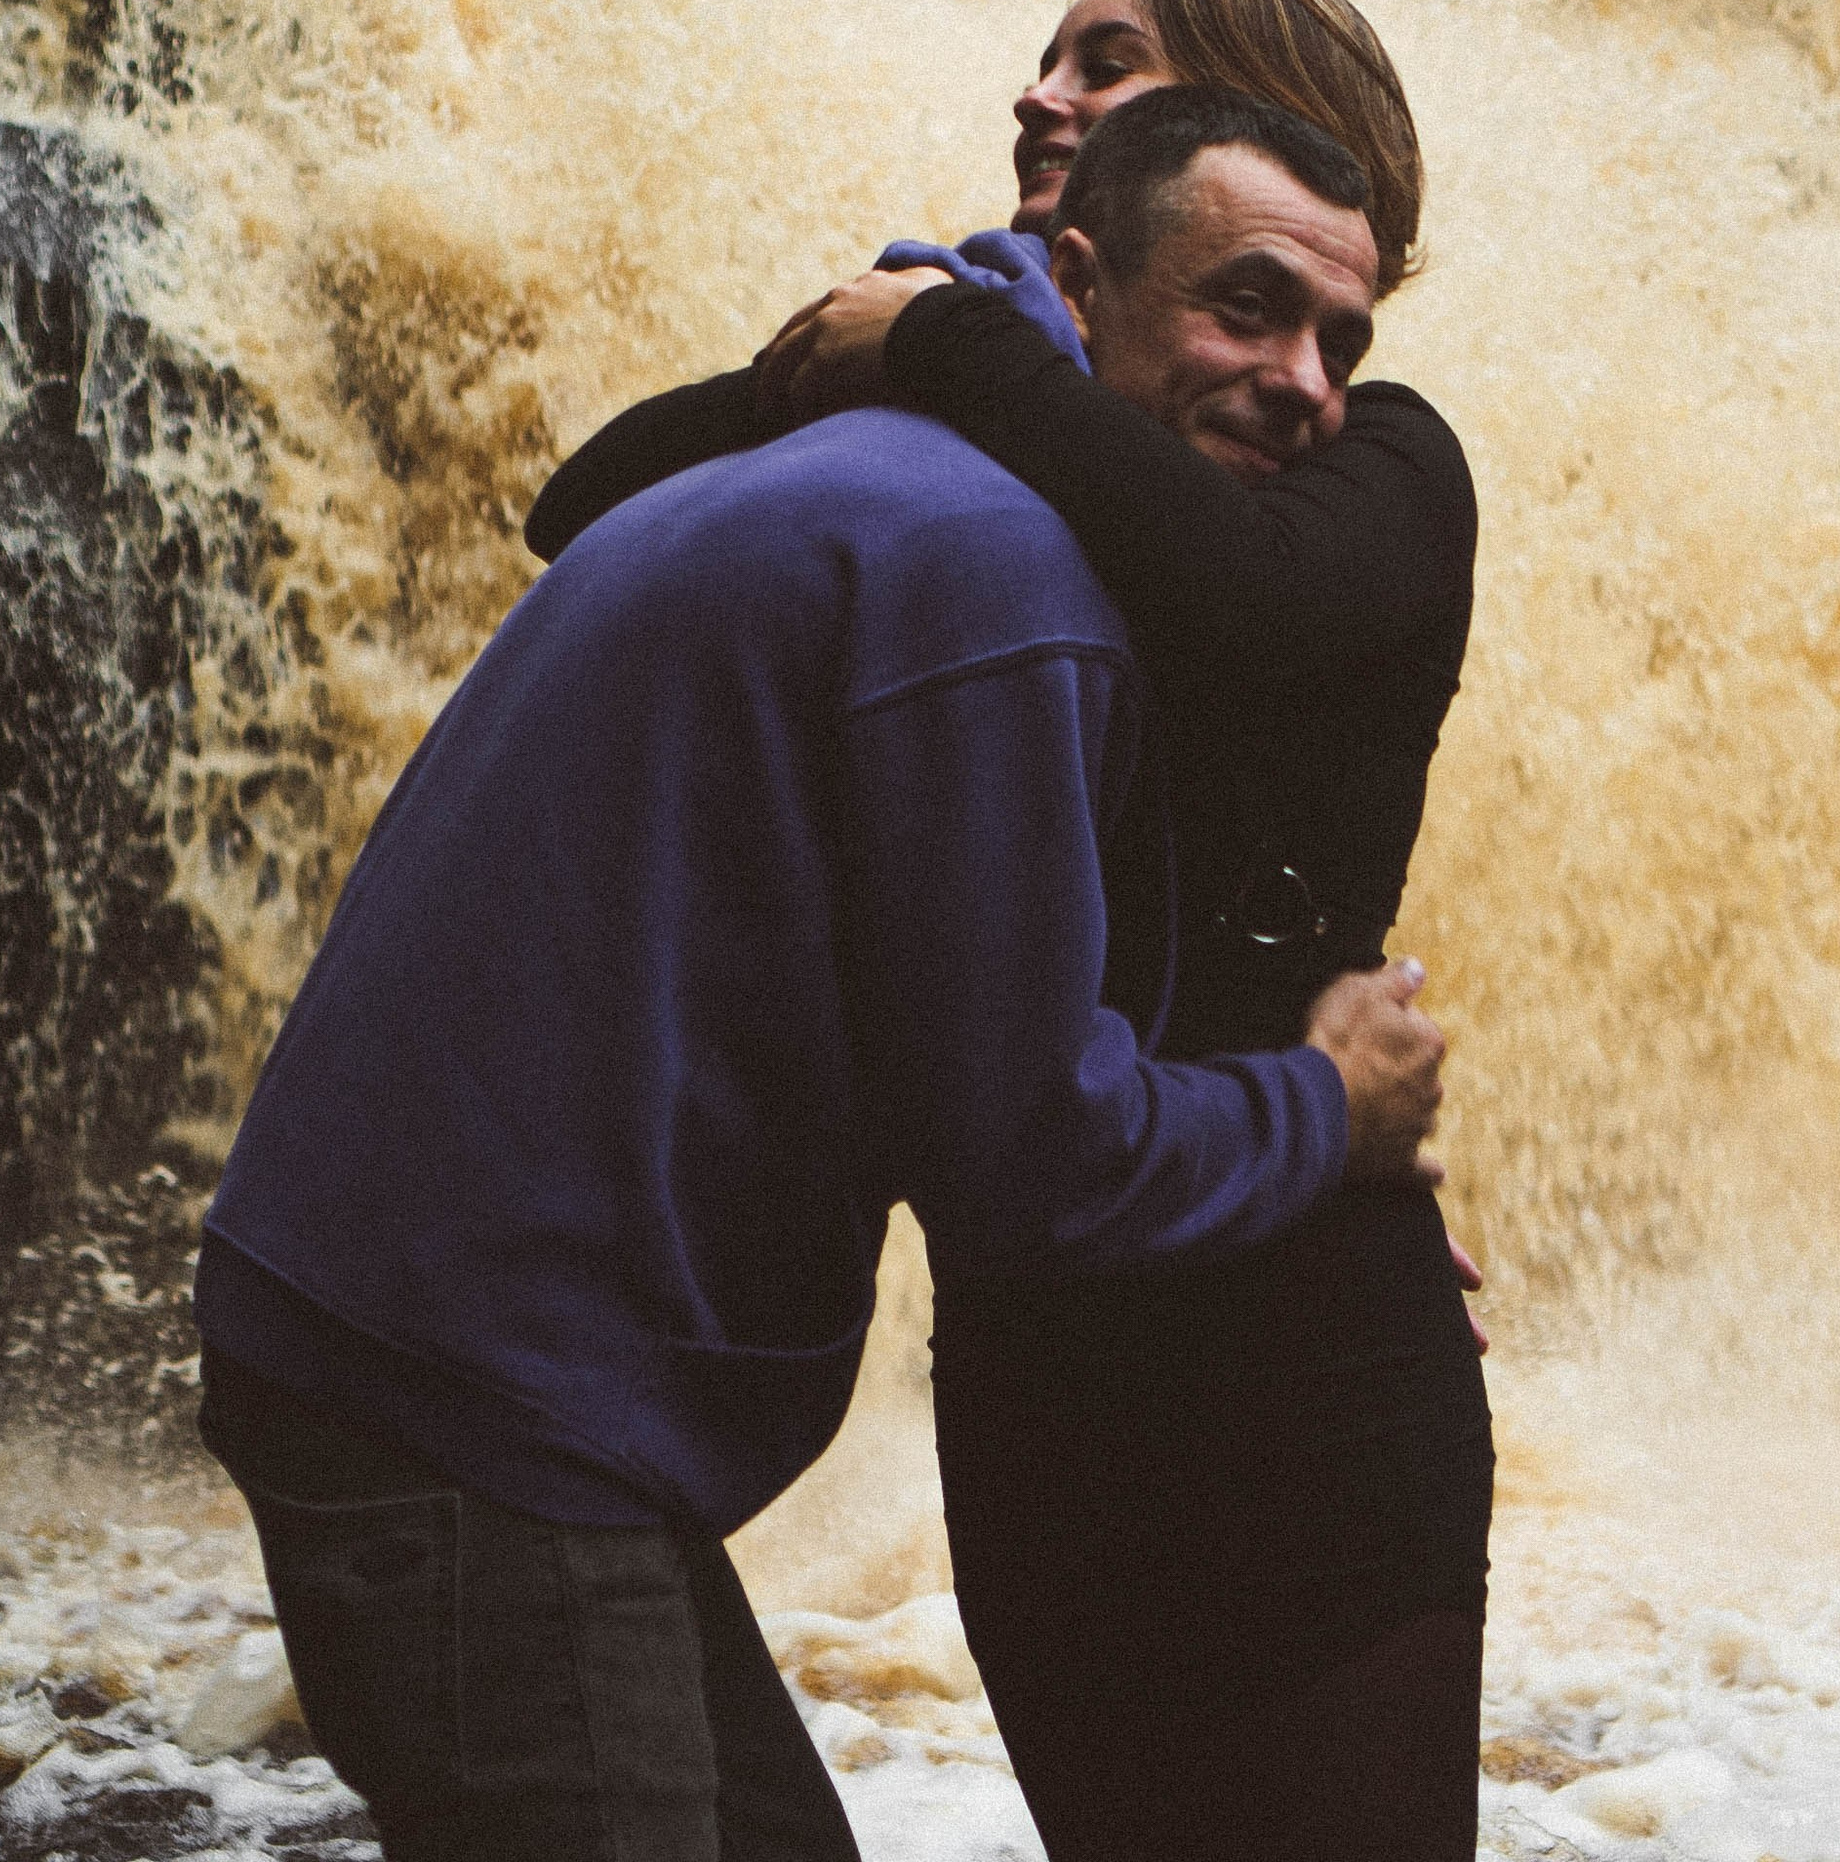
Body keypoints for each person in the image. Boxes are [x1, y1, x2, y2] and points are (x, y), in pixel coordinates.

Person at [192, 113, 1448, 1862]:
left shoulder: (892, 462)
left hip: (445, 1336)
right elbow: (1035, 1162)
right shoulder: (1001, 576)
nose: (1306, 382)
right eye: (1245, 307)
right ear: (1075, 282)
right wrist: (1330, 1110)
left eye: (1342, 340)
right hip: (472, 1391)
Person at [530, 0, 1490, 1861]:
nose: (1041, 97)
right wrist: (905, 344)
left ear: (1271, 133)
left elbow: (1245, 603)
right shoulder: (994, 415)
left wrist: (950, 344)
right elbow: (594, 512)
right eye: (1044, 61)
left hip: (1304, 1356)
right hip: (1047, 1363)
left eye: (1109, 64)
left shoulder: (1376, 459)